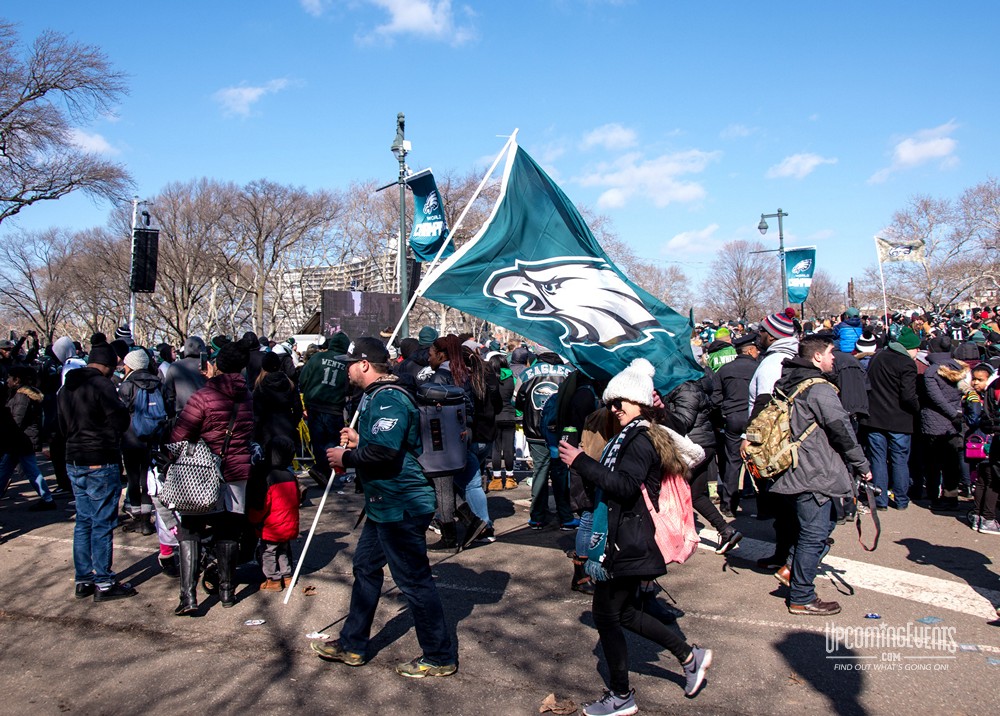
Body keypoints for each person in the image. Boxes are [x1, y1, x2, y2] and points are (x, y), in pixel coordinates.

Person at [558, 358, 713, 710]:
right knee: (622, 613)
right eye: (610, 403)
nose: (614, 410)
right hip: (623, 538)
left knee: (607, 615)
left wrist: (581, 461)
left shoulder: (640, 438)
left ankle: (621, 697)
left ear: (639, 403)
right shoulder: (629, 434)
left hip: (627, 539)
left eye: (620, 403)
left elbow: (626, 487)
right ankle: (689, 657)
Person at [314, 337, 457, 678]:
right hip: (384, 506)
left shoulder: (388, 397)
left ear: (364, 364)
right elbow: (388, 444)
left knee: (414, 582)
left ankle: (439, 656)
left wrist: (345, 457)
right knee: (365, 567)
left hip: (402, 506)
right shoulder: (376, 397)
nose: (345, 369)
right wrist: (359, 439)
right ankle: (353, 645)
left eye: (349, 363)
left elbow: (386, 453)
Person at [769, 336, 872, 615]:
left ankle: (793, 569)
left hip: (798, 466)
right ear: (816, 357)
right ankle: (802, 597)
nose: (834, 358)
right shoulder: (818, 389)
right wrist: (862, 464)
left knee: (822, 527)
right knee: (814, 533)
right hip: (814, 470)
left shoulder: (788, 380)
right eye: (829, 353)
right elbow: (842, 430)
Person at [170, 336, 256, 615]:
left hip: (200, 472)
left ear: (216, 364)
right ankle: (227, 590)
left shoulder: (204, 396)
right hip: (236, 471)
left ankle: (188, 597)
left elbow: (180, 435)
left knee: (190, 529)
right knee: (228, 530)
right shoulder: (247, 397)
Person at [56, 344, 136, 602]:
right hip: (99, 458)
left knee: (84, 521)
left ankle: (84, 578)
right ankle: (103, 581)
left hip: (75, 457)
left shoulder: (65, 388)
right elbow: (120, 420)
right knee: (101, 521)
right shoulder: (101, 386)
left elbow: (61, 425)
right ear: (108, 366)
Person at [860, 326, 920, 510]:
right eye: (916, 349)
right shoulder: (907, 363)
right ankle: (901, 499)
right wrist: (917, 409)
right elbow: (908, 395)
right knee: (899, 459)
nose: (917, 352)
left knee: (878, 459)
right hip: (899, 419)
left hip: (876, 417)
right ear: (909, 348)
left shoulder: (878, 356)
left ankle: (880, 500)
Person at [117, 347, 163, 534]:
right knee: (149, 477)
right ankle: (146, 517)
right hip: (153, 436)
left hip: (131, 436)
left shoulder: (127, 385)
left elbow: (120, 411)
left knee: (134, 478)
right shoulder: (158, 382)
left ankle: (138, 518)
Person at [713, 332, 760, 515]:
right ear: (749, 351)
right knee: (757, 460)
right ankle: (764, 505)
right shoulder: (758, 369)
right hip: (753, 419)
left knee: (733, 463)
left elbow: (715, 398)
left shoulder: (725, 370)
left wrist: (724, 414)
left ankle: (728, 504)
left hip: (732, 419)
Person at [247, 436, 300, 591]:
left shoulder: (268, 477)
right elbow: (297, 500)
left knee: (269, 552)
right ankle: (287, 576)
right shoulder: (290, 476)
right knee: (283, 550)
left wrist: (254, 518)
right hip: (288, 523)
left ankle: (273, 579)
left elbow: (263, 504)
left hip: (272, 525)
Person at [297, 332, 350, 487]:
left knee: (318, 441)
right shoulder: (345, 363)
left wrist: (307, 396)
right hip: (334, 408)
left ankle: (322, 470)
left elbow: (303, 379)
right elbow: (349, 386)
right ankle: (323, 470)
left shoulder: (316, 358)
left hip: (314, 405)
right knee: (333, 441)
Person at [1, 366, 56, 509]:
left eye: (9, 377)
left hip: (21, 440)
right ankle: (47, 498)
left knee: (31, 470)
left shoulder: (21, 396)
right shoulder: (21, 394)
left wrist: (5, 434)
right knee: (4, 469)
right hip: (19, 440)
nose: (7, 380)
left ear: (16, 380)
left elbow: (16, 421)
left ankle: (47, 499)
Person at [488, 353, 518, 490]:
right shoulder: (513, 378)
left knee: (496, 448)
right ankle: (510, 478)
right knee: (508, 448)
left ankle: (497, 479)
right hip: (510, 416)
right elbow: (516, 397)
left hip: (494, 417)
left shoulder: (489, 378)